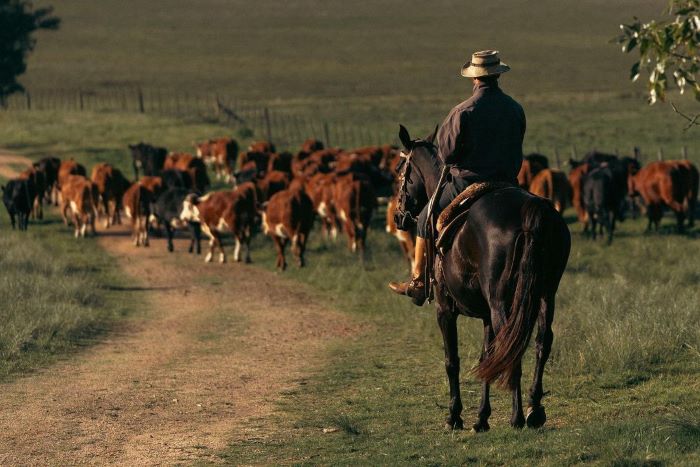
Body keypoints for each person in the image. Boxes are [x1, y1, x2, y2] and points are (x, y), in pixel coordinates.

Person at [388, 50, 526, 304]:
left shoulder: (463, 111)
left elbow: (447, 155)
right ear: (497, 75)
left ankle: (418, 280)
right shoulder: (515, 108)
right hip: (508, 184)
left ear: (474, 78)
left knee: (425, 218)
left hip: (468, 184)